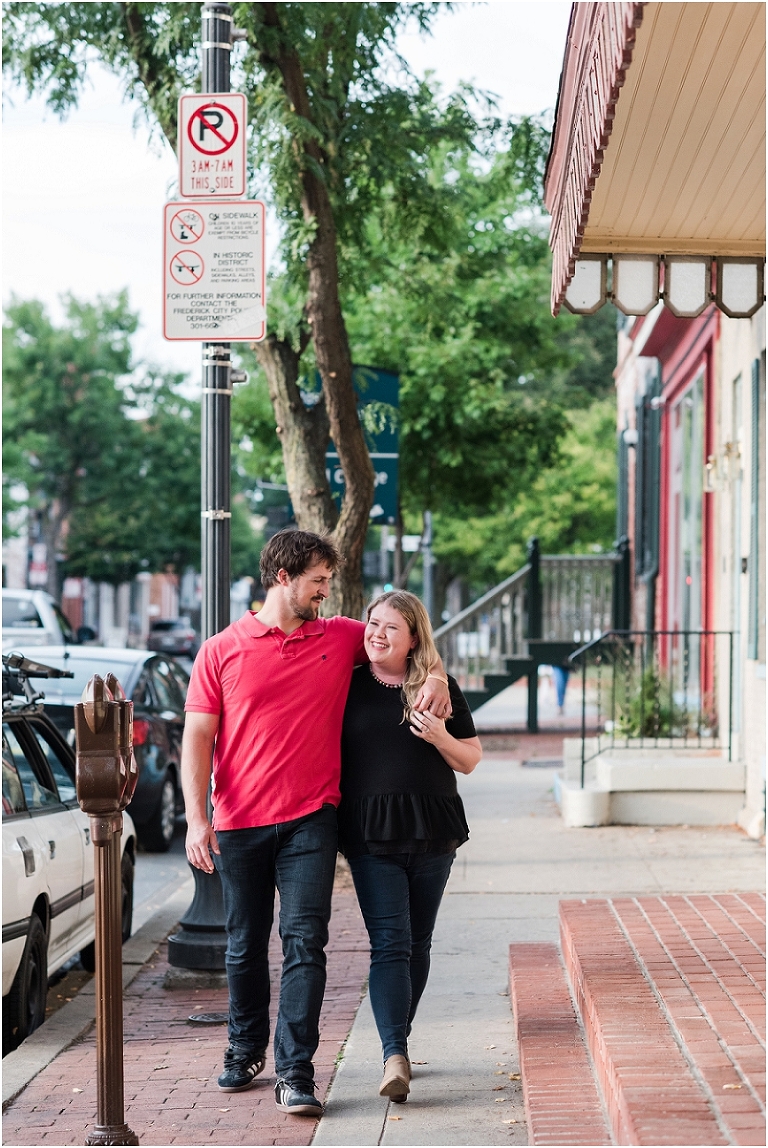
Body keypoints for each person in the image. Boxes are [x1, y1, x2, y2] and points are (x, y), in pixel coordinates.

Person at [181, 530, 451, 1117]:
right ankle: (244, 1045)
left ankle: (295, 1069)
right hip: (238, 819)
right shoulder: (220, 650)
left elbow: (408, 639)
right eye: (319, 582)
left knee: (305, 942)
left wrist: (434, 677)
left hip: (311, 817)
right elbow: (197, 737)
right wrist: (194, 819)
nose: (327, 593)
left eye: (328, 581)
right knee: (244, 945)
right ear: (284, 578)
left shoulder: (340, 636)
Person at [337, 590, 482, 1103]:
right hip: (371, 835)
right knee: (391, 944)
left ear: (413, 638)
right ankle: (393, 1053)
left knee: (418, 943)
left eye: (390, 627)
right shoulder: (347, 684)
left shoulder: (437, 690)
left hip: (434, 830)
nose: (376, 633)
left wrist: (439, 735)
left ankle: (398, 1039)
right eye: (372, 623)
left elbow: (469, 759)